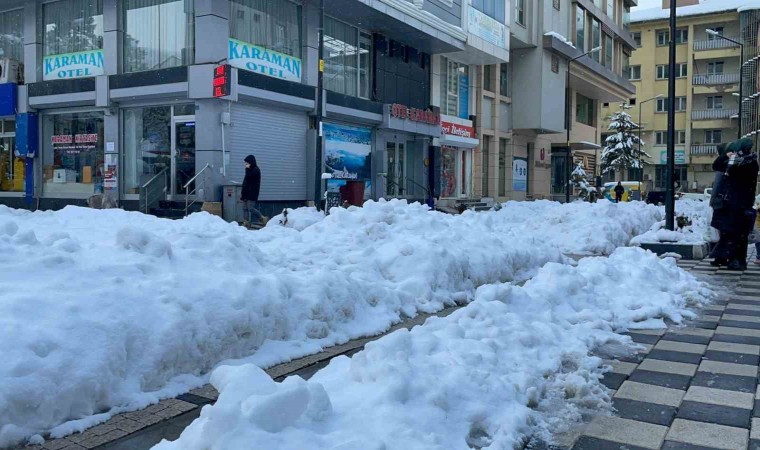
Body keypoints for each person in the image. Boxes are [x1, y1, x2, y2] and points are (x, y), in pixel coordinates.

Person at [710, 139, 759, 271]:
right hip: (730, 203)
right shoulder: (738, 161)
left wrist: (734, 163)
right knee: (728, 232)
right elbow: (717, 166)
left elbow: (736, 174)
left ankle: (738, 260)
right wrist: (725, 157)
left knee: (739, 235)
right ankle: (725, 257)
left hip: (741, 204)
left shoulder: (750, 162)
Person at [241, 155, 265, 227]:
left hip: (252, 192)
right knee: (244, 208)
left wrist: (247, 169)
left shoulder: (255, 170)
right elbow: (245, 181)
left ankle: (262, 218)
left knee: (250, 208)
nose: (246, 164)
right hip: (246, 192)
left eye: (247, 162)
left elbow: (249, 177)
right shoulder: (249, 170)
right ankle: (246, 222)